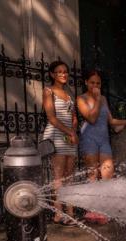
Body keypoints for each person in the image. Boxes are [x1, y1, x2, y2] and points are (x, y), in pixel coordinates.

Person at [76, 69, 126, 224]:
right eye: (92, 82)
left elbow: (110, 121)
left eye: (98, 83)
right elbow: (92, 118)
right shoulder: (81, 99)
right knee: (92, 175)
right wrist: (96, 100)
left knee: (108, 173)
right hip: (89, 139)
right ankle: (92, 209)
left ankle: (104, 208)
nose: (95, 85)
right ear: (86, 83)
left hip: (103, 140)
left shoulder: (103, 98)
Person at [42, 60, 79, 226]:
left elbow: (73, 116)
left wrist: (74, 128)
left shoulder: (69, 93)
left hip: (69, 136)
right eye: (59, 72)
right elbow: (51, 117)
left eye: (65, 71)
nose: (63, 74)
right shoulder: (48, 91)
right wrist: (70, 131)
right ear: (52, 74)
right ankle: (58, 214)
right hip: (56, 134)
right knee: (58, 177)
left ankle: (70, 212)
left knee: (69, 176)